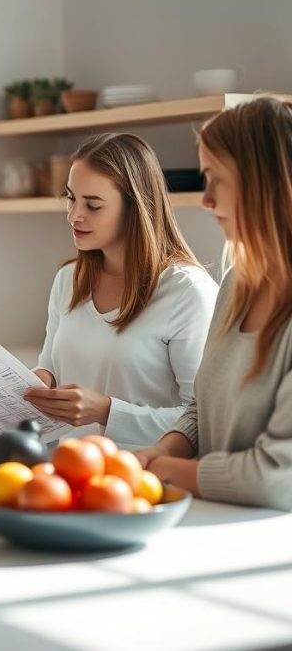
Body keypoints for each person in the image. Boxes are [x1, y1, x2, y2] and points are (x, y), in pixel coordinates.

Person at [134, 97, 292, 510]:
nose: (206, 200)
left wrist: (168, 473)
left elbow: (278, 477)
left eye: (214, 179)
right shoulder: (237, 283)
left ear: (261, 182)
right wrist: (164, 451)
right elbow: (203, 408)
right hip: (213, 523)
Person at [22, 133, 218, 448]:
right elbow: (51, 369)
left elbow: (204, 418)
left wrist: (106, 411)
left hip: (143, 479)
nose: (74, 215)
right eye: (71, 198)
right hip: (66, 471)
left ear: (135, 208)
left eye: (93, 205)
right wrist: (37, 383)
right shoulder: (68, 280)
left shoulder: (186, 292)